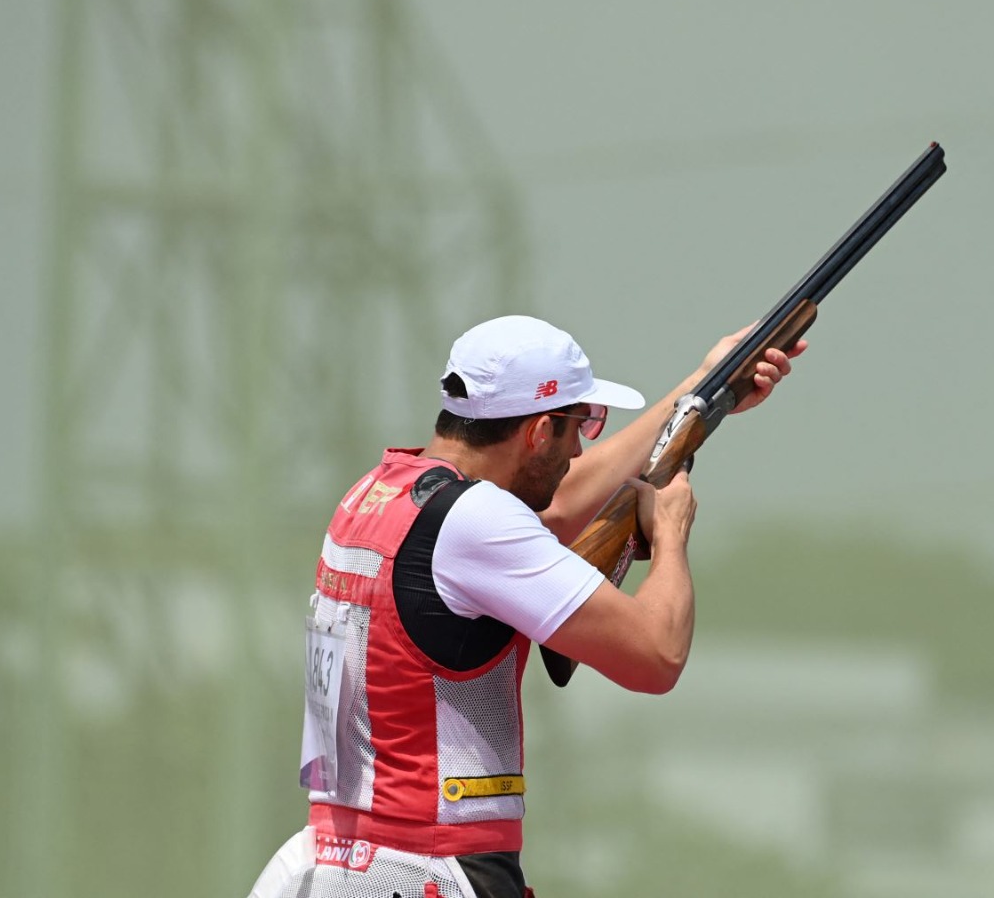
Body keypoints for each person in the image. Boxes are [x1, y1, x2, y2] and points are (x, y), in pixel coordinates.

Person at [248, 314, 804, 898]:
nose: (581, 447)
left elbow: (553, 506)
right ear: (539, 432)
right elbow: (656, 655)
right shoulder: (477, 523)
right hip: (428, 869)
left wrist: (702, 388)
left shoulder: (379, 494)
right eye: (580, 425)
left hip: (334, 862)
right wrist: (669, 535)